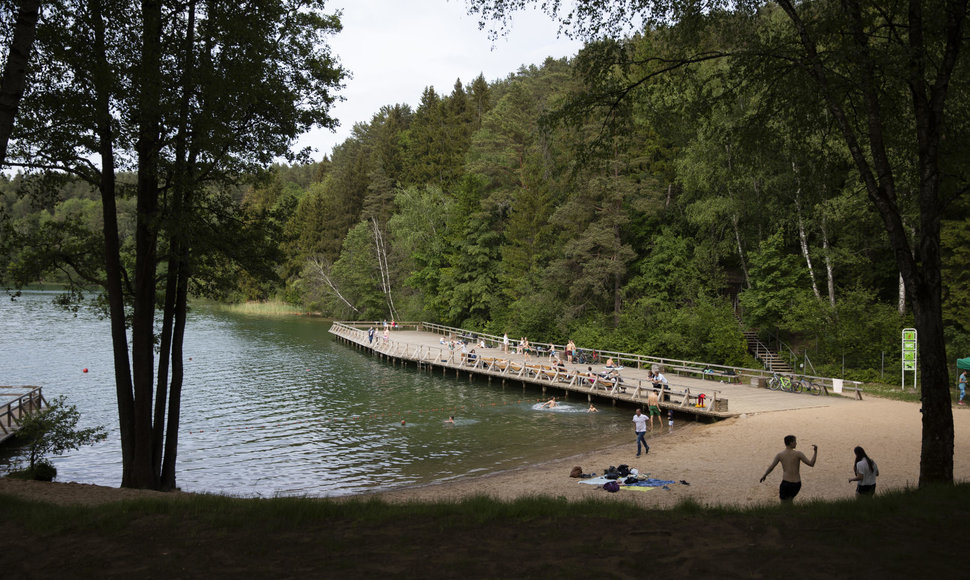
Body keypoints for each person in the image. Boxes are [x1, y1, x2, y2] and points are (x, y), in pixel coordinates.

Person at [760, 435, 818, 502]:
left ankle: (787, 512)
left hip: (786, 483)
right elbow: (811, 464)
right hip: (797, 484)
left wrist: (764, 475)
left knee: (784, 503)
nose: (796, 443)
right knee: (790, 501)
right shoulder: (798, 454)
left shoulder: (780, 455)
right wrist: (815, 452)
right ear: (790, 442)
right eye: (795, 441)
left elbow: (771, 467)